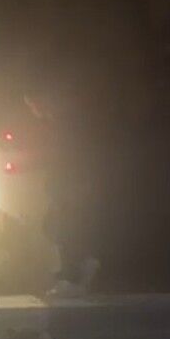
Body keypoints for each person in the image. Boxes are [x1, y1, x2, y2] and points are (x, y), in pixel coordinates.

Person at [24, 86, 100, 296]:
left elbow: (67, 158)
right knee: (57, 228)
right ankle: (75, 272)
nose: (33, 111)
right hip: (65, 186)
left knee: (64, 230)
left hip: (69, 187)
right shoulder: (61, 124)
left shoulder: (66, 125)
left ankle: (75, 274)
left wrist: (75, 186)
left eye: (32, 104)